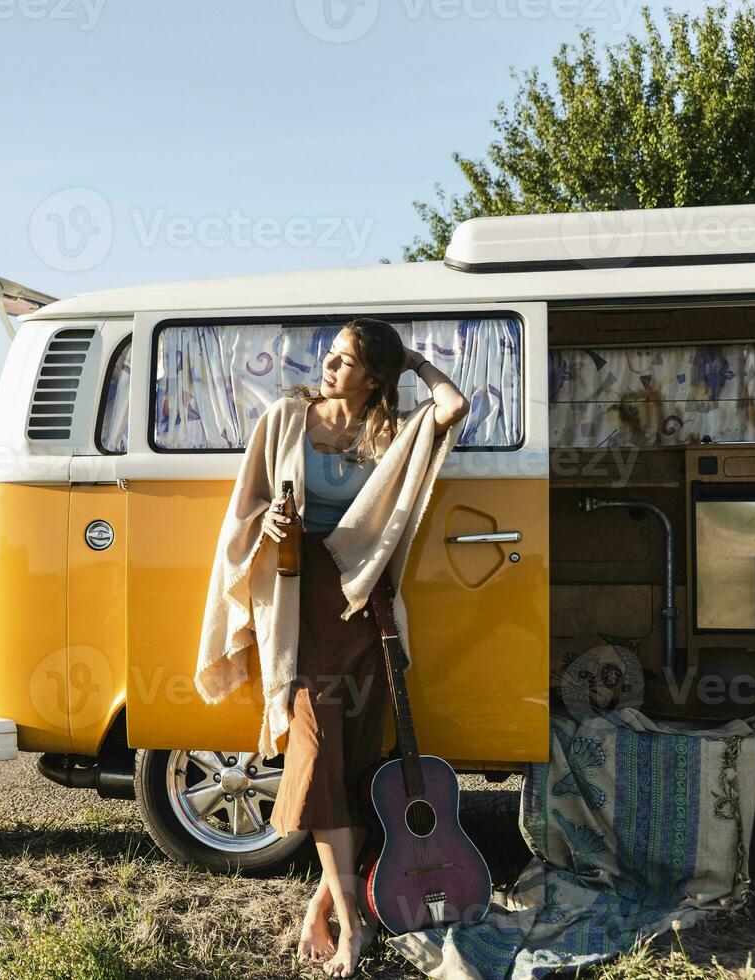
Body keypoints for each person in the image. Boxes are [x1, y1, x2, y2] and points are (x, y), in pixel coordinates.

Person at [257, 318, 468, 978]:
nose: (330, 368)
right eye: (331, 356)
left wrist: (411, 360)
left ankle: (321, 905)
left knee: (350, 768)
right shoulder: (286, 417)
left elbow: (452, 406)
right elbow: (248, 503)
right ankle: (353, 927)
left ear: (373, 376)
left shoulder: (389, 432)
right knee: (317, 755)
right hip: (300, 601)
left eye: (347, 361)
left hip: (363, 607)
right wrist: (265, 519)